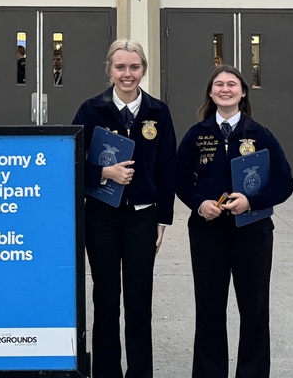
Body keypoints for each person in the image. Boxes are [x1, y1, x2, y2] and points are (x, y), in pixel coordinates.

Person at [174, 65, 293, 378]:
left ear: (242, 92)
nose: (225, 89)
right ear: (211, 93)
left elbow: (284, 182)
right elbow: (179, 180)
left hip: (252, 233)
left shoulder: (260, 134)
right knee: (210, 308)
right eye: (219, 85)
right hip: (207, 232)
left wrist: (251, 201)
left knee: (254, 309)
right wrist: (200, 204)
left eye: (231, 84)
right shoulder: (197, 135)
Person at [71, 39, 177, 378]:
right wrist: (103, 172)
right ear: (109, 70)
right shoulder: (91, 111)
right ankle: (105, 372)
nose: (127, 74)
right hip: (101, 215)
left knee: (138, 301)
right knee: (105, 299)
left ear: (143, 70)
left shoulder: (158, 113)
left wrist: (163, 218)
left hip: (142, 217)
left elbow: (167, 168)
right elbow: (70, 161)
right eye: (120, 67)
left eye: (134, 67)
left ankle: (140, 373)